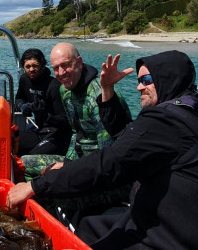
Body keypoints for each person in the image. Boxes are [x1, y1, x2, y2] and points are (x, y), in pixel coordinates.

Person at [7, 50, 198, 249]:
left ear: (168, 79)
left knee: (54, 201)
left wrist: (35, 186)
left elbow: (108, 162)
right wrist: (108, 91)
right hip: (171, 222)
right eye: (139, 81)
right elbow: (126, 136)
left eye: (148, 81)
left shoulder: (166, 122)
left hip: (170, 238)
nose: (140, 88)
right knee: (89, 226)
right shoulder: (195, 116)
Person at [20, 43, 132, 224]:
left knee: (45, 191)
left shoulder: (99, 97)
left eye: (66, 65)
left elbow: (108, 157)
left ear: (79, 62)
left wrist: (67, 169)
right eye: (56, 68)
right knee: (21, 164)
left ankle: (63, 229)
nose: (61, 73)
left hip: (109, 179)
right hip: (80, 164)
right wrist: (66, 162)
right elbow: (75, 133)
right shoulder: (66, 91)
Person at [14, 48, 72, 156]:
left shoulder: (54, 86)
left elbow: (66, 121)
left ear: (42, 65)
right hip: (39, 131)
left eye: (35, 65)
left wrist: (46, 116)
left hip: (58, 134)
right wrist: (22, 106)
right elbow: (18, 99)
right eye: (27, 66)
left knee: (30, 157)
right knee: (10, 142)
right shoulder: (24, 80)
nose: (31, 69)